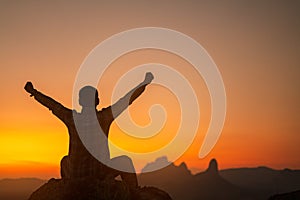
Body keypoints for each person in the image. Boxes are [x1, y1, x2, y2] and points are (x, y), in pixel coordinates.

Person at [24, 72, 154, 191]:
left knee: (64, 161)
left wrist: (33, 92)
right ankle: (134, 192)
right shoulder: (104, 117)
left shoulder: (72, 119)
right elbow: (126, 100)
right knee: (125, 161)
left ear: (80, 101)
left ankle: (69, 187)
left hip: (76, 175)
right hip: (99, 174)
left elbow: (52, 106)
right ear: (97, 101)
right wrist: (145, 83)